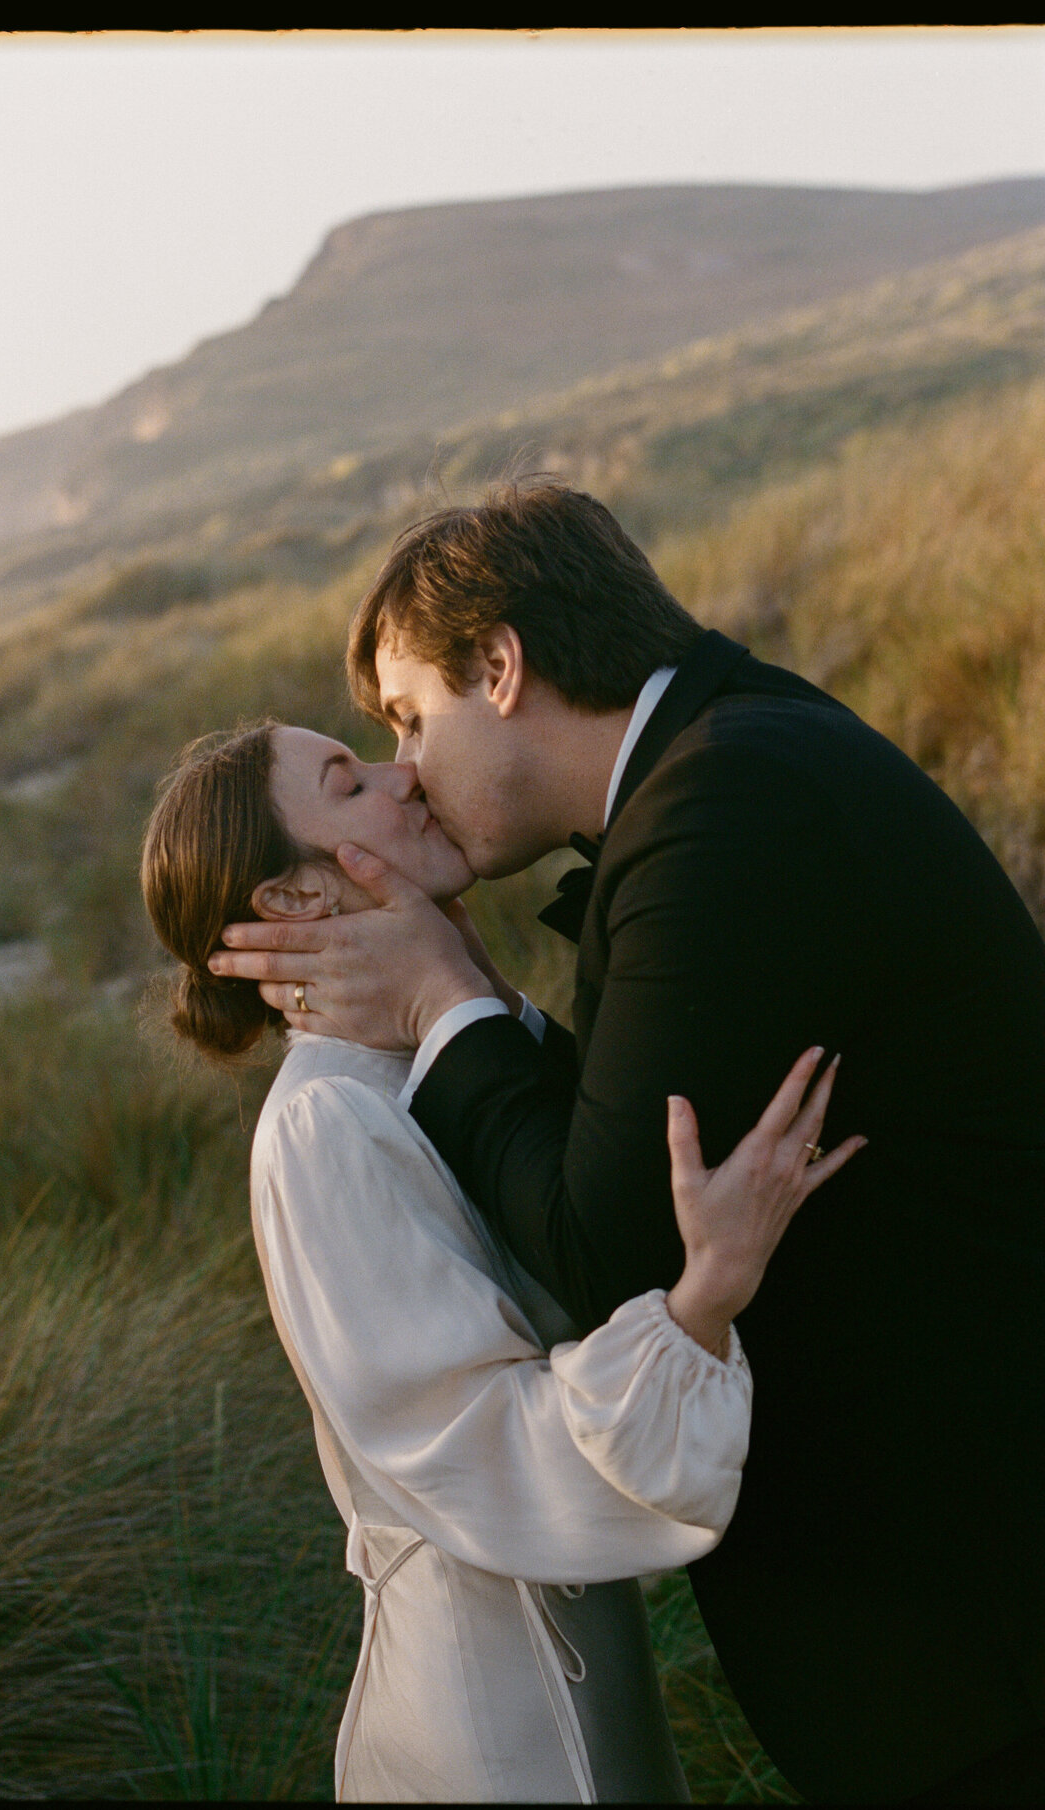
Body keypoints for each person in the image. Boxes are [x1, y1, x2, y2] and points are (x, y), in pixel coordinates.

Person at [210, 480, 1045, 1805]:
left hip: (970, 1624)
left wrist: (448, 996)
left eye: (413, 718)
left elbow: (605, 1246)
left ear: (501, 664)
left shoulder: (724, 813)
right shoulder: (737, 758)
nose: (410, 769)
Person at [141, 720, 861, 1803]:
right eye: (352, 780)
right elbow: (471, 1440)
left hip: (582, 1657)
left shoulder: (427, 1060)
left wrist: (471, 994)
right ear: (295, 900)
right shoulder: (324, 1121)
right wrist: (703, 1297)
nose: (405, 773)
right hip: (492, 1723)